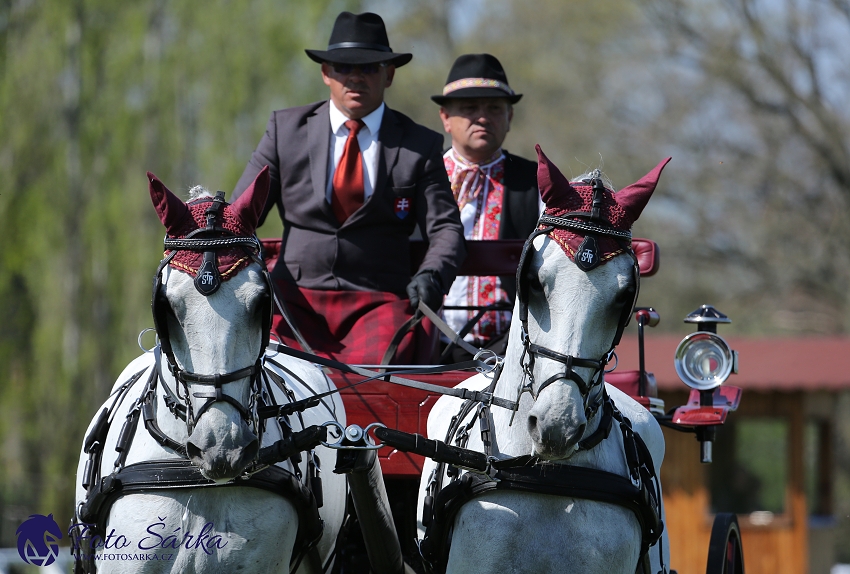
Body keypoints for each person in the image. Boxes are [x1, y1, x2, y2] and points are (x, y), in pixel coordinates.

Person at [232, 12, 465, 364]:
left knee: (379, 382)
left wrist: (433, 275)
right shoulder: (285, 130)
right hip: (293, 299)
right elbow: (241, 215)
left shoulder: (420, 144)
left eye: (370, 68)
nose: (355, 77)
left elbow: (446, 228)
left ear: (389, 75)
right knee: (273, 373)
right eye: (343, 67)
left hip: (380, 301)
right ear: (326, 73)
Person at [432, 54, 541, 360]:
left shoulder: (537, 183)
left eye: (494, 108)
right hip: (424, 345)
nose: (482, 117)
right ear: (445, 117)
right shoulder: (418, 177)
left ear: (510, 117)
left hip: (515, 350)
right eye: (469, 108)